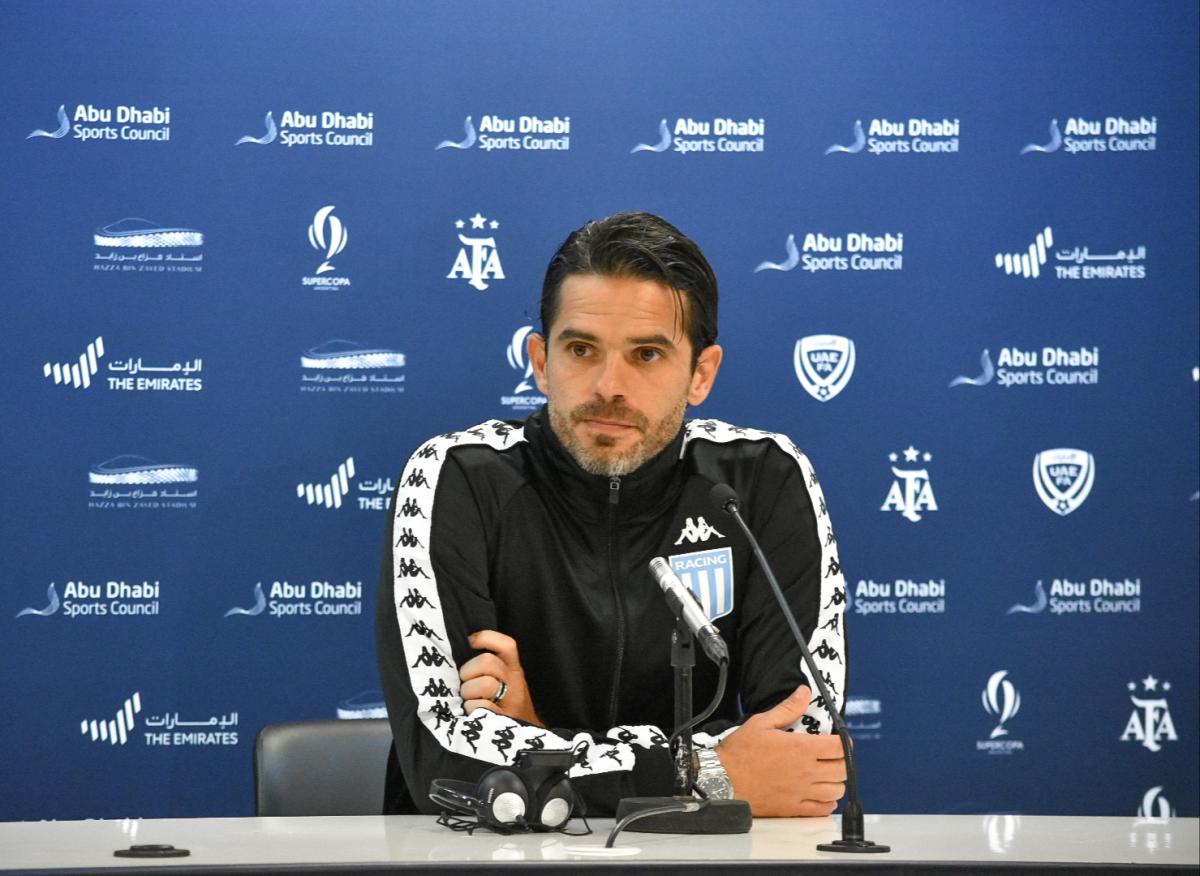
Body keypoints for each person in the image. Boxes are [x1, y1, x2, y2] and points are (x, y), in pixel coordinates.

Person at [376, 211, 848, 818]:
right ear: (542, 362)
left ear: (700, 374)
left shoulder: (763, 481)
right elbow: (450, 764)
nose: (609, 386)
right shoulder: (456, 478)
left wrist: (539, 738)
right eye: (581, 349)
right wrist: (708, 773)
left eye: (647, 354)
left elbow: (801, 748)